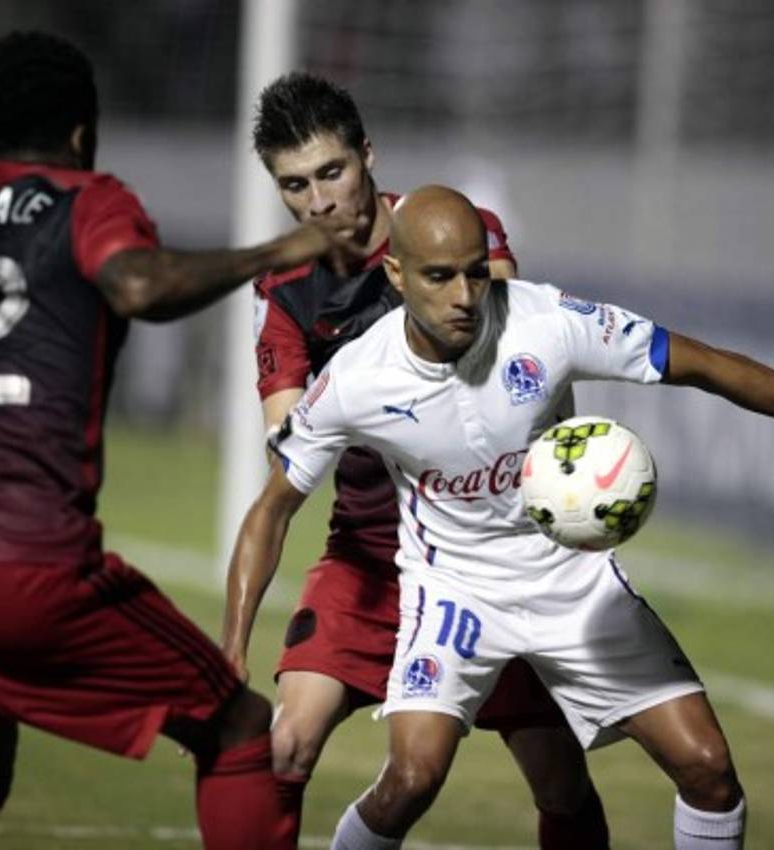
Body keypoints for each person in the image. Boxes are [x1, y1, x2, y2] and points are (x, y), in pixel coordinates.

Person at [225, 185, 774, 850]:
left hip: (571, 585)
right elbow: (270, 511)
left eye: (475, 272)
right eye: (439, 277)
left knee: (708, 770)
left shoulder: (546, 321)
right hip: (455, 595)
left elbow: (706, 364)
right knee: (412, 778)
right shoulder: (356, 380)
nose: (464, 296)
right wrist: (233, 649)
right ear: (396, 274)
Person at [0, 31, 361, 850]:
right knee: (237, 725)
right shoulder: (90, 201)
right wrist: (283, 247)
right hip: (29, 566)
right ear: (83, 131)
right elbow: (137, 284)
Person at [229, 71, 610, 847]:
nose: (319, 201)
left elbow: (509, 362)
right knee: (285, 744)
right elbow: (288, 436)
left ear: (367, 155)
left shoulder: (457, 237)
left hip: (489, 561)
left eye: (332, 172)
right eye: (295, 185)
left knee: (561, 784)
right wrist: (230, 653)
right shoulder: (289, 289)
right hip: (369, 559)